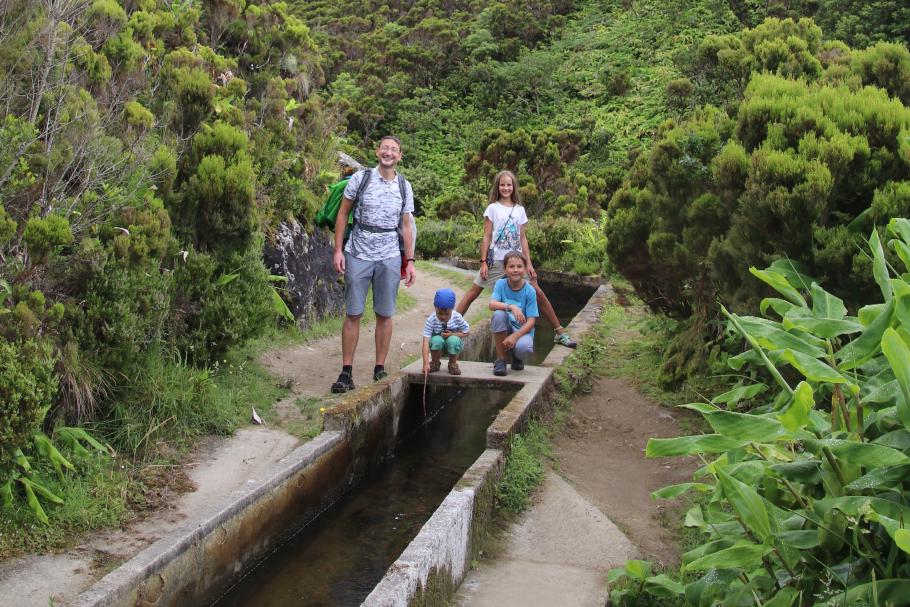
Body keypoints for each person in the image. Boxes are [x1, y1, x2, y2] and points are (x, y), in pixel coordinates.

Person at [331, 136, 417, 393]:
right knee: (353, 313)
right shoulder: (361, 178)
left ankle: (380, 368)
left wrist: (410, 261)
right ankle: (346, 372)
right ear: (377, 151)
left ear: (399, 156)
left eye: (394, 150)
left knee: (385, 314)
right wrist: (338, 250)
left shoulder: (404, 186)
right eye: (385, 148)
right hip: (357, 252)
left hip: (389, 255)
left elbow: (406, 226)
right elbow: (343, 213)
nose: (388, 153)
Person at [455, 170, 577, 349]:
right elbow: (487, 236)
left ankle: (559, 333)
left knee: (538, 293)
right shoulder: (492, 208)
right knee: (473, 293)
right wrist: (483, 262)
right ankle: (450, 326)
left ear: (513, 187)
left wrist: (529, 263)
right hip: (496, 260)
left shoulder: (519, 210)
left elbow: (522, 238)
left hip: (518, 261)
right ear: (497, 187)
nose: (505, 188)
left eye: (509, 185)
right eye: (502, 185)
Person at [489, 250, 538, 376]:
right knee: (498, 314)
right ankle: (501, 360)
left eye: (519, 266)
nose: (515, 270)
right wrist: (511, 307)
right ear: (505, 269)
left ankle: (517, 357)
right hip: (505, 326)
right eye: (511, 266)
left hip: (521, 330)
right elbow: (492, 304)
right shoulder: (500, 284)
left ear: (525, 269)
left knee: (525, 348)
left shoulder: (530, 291)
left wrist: (515, 336)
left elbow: (531, 321)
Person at [422, 288, 470, 376]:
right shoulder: (431, 320)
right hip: (437, 347)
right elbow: (425, 341)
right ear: (435, 307)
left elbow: (466, 332)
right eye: (440, 313)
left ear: (452, 308)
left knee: (453, 340)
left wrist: (452, 334)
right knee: (436, 339)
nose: (443, 317)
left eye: (447, 314)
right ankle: (435, 363)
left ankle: (452, 364)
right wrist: (425, 363)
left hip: (453, 346)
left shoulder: (457, 317)